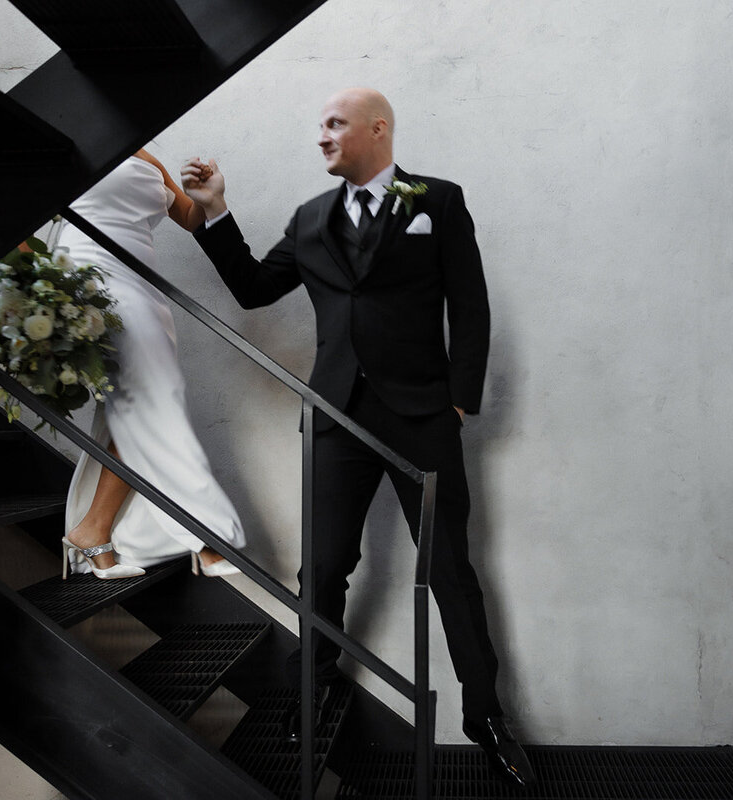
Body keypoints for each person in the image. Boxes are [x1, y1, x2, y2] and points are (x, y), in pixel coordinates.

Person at [180, 89, 535, 788]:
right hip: (337, 417)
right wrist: (215, 211)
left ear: (379, 129)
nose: (322, 137)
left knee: (451, 572)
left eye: (335, 124)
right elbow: (254, 289)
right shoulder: (310, 219)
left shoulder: (437, 200)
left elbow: (469, 305)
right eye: (320, 125)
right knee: (325, 565)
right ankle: (310, 693)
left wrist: (460, 401)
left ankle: (486, 718)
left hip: (423, 418)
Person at [60, 150, 245, 580]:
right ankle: (205, 535)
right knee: (152, 398)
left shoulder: (141, 150)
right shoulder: (62, 137)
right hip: (91, 276)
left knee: (139, 405)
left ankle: (94, 528)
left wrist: (210, 195)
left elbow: (189, 215)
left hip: (143, 284)